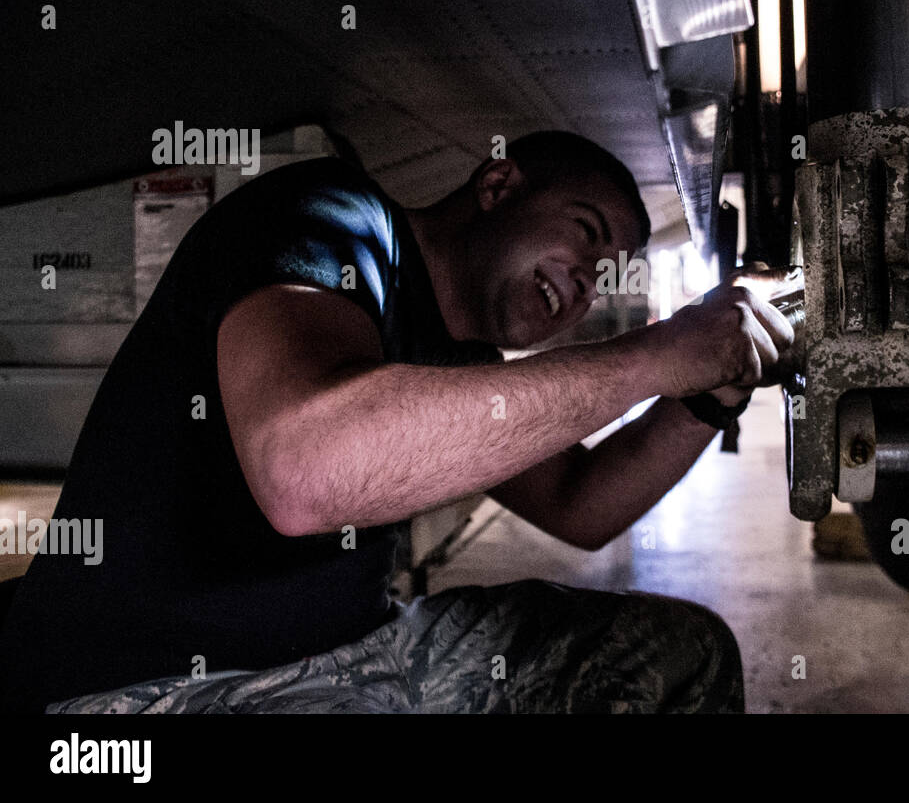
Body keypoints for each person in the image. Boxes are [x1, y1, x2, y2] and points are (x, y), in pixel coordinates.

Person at [0, 130, 793, 713]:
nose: (587, 282)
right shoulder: (331, 213)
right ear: (498, 185)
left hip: (342, 658)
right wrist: (655, 355)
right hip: (141, 692)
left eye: (605, 274)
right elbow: (303, 472)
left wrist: (705, 396)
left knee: (679, 656)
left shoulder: (462, 359)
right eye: (586, 233)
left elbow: (580, 504)